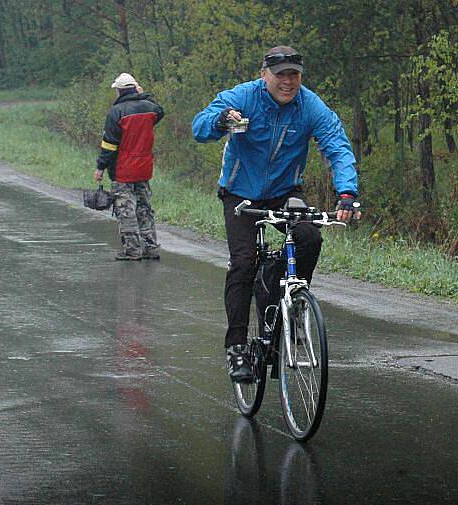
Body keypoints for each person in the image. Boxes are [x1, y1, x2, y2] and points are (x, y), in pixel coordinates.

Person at [192, 46, 359, 382]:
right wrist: (222, 121)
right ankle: (237, 348)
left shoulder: (310, 105)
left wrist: (347, 194)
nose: (287, 81)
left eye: (293, 75)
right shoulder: (243, 97)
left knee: (309, 236)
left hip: (285, 192)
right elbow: (200, 127)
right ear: (264, 74)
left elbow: (336, 146)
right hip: (240, 193)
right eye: (280, 74)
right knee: (243, 262)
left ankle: (292, 305)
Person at [95, 72, 164, 260]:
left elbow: (109, 144)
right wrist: (143, 94)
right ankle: (151, 247)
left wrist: (100, 167)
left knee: (126, 209)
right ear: (135, 88)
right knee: (144, 207)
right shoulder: (150, 108)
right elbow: (160, 110)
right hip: (144, 168)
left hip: (123, 169)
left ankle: (132, 250)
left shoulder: (116, 112)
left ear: (119, 91)